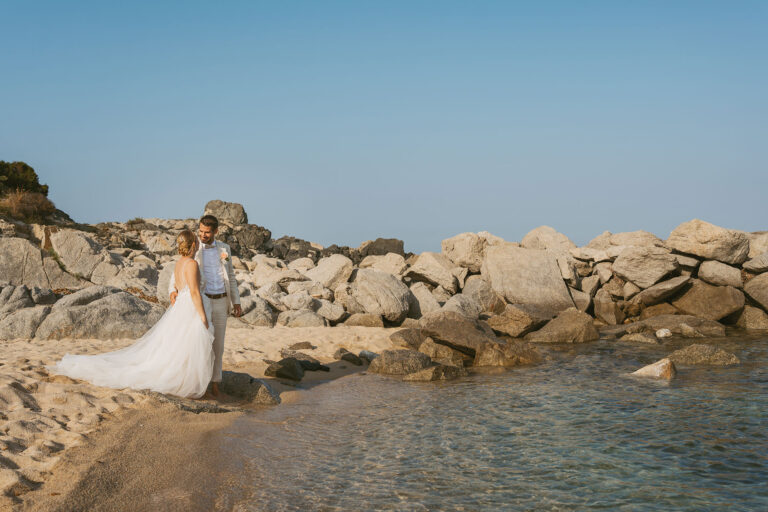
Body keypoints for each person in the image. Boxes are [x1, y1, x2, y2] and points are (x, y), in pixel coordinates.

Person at [49, 230, 215, 398]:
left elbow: (181, 287)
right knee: (187, 343)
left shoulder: (180, 262)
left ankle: (184, 379)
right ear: (193, 244)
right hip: (189, 306)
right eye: (196, 241)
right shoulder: (192, 264)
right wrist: (202, 316)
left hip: (181, 306)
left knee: (179, 344)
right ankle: (184, 381)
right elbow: (194, 292)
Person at [168, 215, 241, 397]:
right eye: (200, 231)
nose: (203, 235)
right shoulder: (195, 248)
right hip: (201, 302)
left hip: (221, 301)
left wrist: (236, 301)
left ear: (216, 231)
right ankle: (199, 384)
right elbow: (179, 268)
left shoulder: (225, 249)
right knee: (200, 345)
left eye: (207, 232)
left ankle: (215, 384)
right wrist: (172, 290)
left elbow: (230, 276)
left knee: (218, 346)